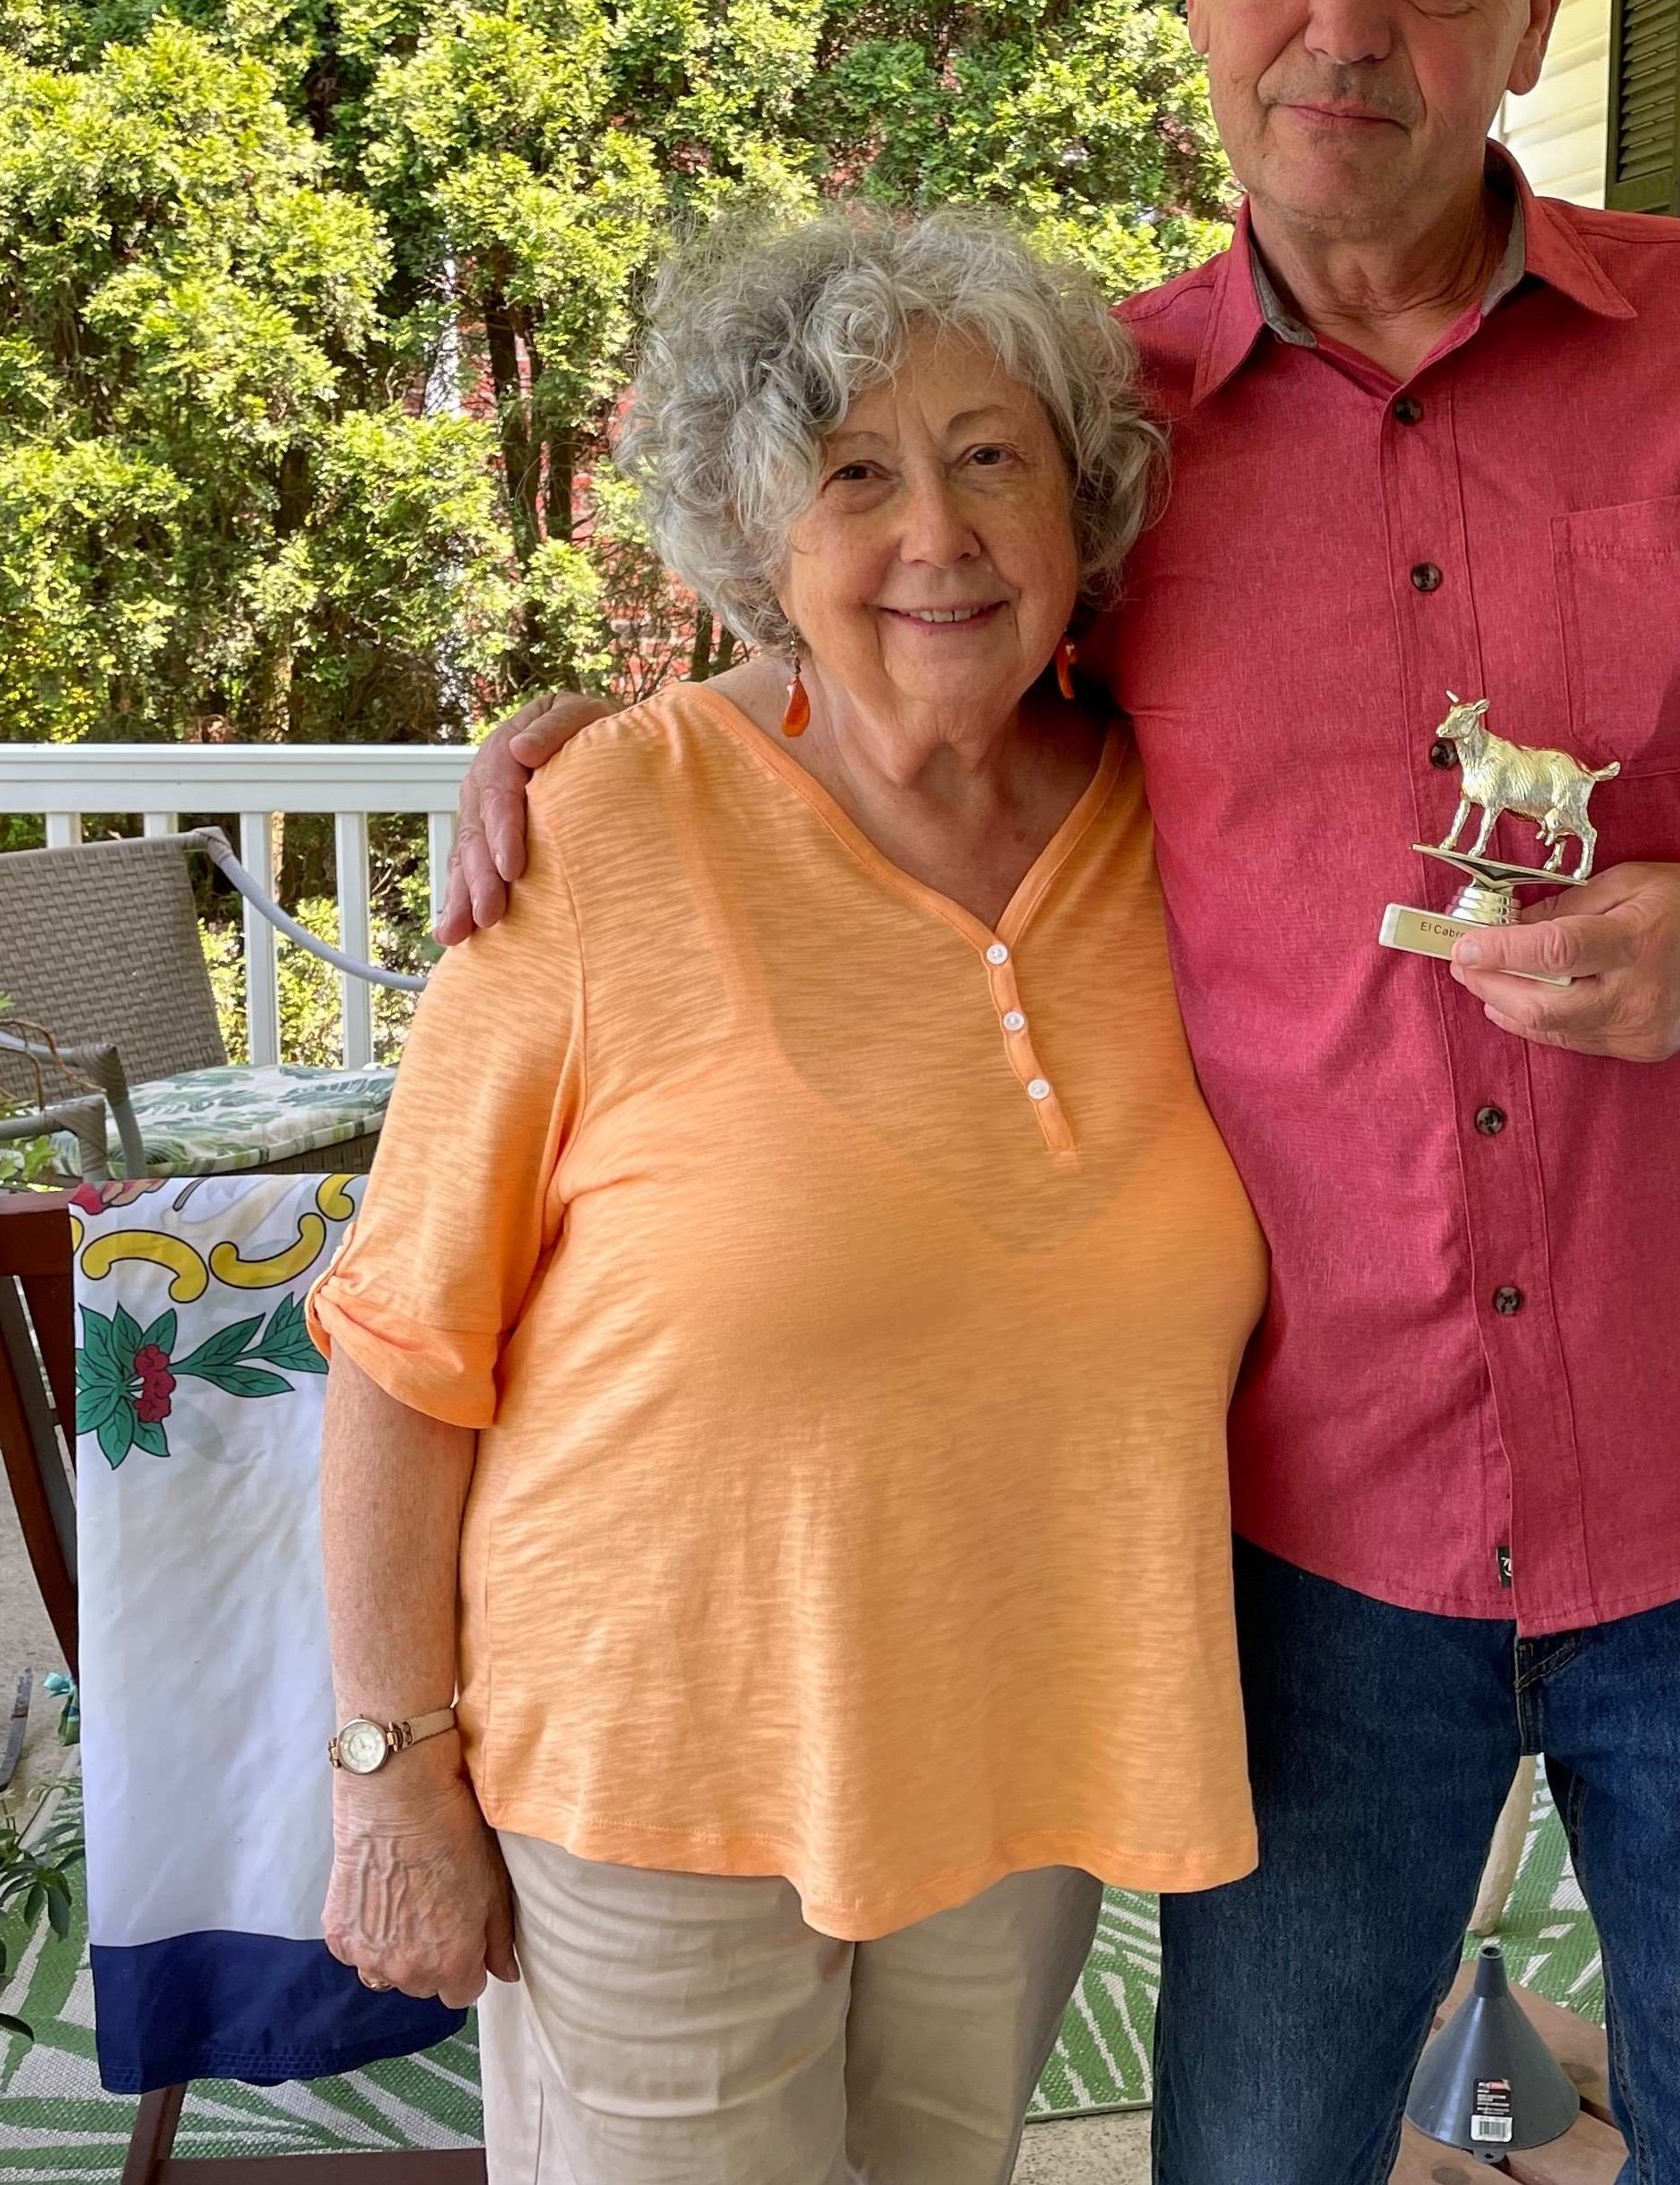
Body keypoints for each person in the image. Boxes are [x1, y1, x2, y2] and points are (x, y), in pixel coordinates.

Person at [441, 0, 1680, 2185]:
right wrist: (604, 729)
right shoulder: (1110, 442)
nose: (1344, 25)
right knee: (1258, 2145)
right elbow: (907, 659)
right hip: (1313, 1522)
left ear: (1522, 12)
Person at [308, 210, 1274, 2185]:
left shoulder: (1195, 831)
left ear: (1083, 511)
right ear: (761, 543)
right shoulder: (598, 830)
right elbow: (407, 1346)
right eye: (857, 473)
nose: (940, 532)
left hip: (1021, 1747)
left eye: (995, 456)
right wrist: (393, 1770)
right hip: (662, 1771)